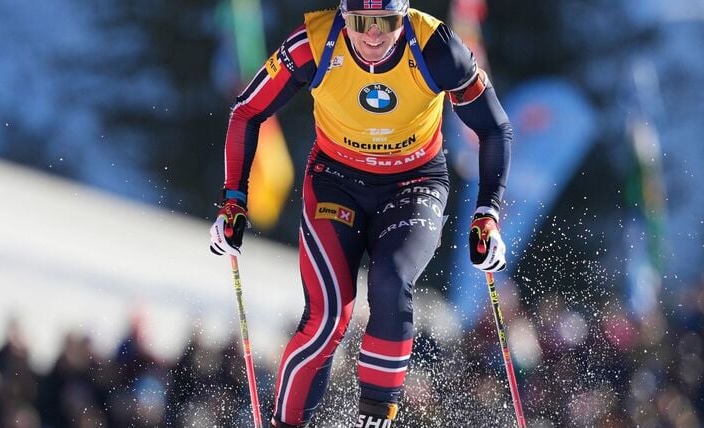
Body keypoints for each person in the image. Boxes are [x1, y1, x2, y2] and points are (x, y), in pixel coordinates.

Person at [209, 0, 512, 426]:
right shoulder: (313, 43)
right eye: (361, 22)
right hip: (337, 183)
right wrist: (234, 202)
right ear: (344, 17)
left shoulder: (437, 47)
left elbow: (494, 127)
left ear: (402, 16)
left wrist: (488, 214)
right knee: (327, 319)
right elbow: (247, 110)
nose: (373, 35)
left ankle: (374, 420)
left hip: (414, 183)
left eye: (385, 22)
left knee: (391, 281)